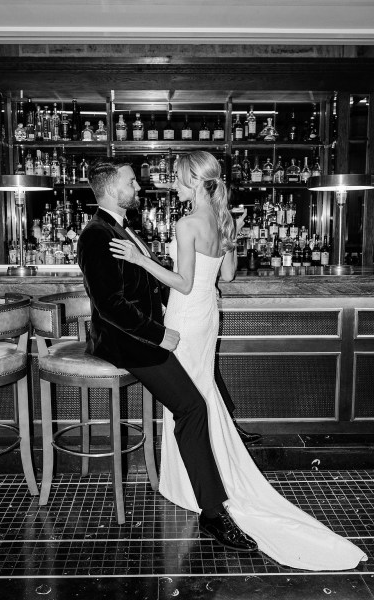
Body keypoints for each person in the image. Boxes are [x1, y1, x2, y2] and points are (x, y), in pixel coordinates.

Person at [109, 151, 367, 571]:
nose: (171, 184)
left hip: (187, 315)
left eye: (176, 178)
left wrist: (141, 260)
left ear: (193, 180)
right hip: (209, 315)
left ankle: (193, 485)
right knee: (199, 391)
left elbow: (183, 281)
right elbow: (225, 277)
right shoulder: (223, 220)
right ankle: (200, 479)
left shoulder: (187, 222)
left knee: (187, 398)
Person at [77, 157, 257, 553]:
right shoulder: (96, 234)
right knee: (192, 406)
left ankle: (209, 483)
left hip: (156, 331)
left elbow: (148, 280)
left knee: (198, 396)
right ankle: (213, 514)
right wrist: (160, 334)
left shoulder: (126, 227)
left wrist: (175, 307)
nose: (139, 188)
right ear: (110, 189)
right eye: (131, 183)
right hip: (129, 342)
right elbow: (109, 306)